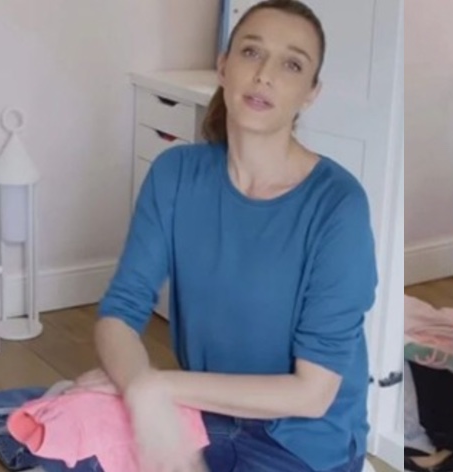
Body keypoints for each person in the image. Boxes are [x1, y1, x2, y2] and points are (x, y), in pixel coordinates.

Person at [68, 1, 377, 471]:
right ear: (223, 66)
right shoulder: (175, 174)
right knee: (62, 430)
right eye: (251, 52)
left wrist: (156, 387)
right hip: (203, 415)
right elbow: (121, 311)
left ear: (311, 93)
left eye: (292, 64)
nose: (265, 75)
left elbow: (313, 394)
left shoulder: (338, 205)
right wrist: (136, 388)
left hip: (301, 440)